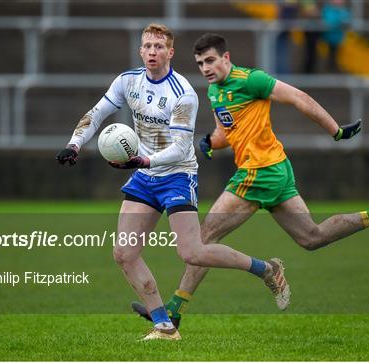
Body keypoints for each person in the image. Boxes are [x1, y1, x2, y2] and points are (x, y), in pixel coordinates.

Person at [132, 32, 369, 328]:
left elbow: (299, 98)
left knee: (204, 239)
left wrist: (335, 131)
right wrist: (211, 141)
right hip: (274, 169)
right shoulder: (214, 92)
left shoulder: (252, 80)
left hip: (258, 171)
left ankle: (175, 311)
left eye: (210, 60)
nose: (206, 68)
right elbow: (228, 130)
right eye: (200, 63)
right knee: (312, 237)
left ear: (226, 58)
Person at [56, 24, 290, 341]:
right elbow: (96, 114)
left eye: (159, 46)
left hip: (177, 174)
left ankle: (265, 269)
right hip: (144, 176)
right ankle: (164, 326)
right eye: (147, 46)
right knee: (124, 253)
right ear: (140, 50)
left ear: (170, 52)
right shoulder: (127, 81)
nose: (152, 51)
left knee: (192, 252)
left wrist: (143, 160)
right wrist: (74, 144)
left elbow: (181, 148)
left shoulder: (183, 94)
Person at [321, 0, 351, 72]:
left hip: (339, 37)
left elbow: (347, 20)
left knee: (337, 55)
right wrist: (339, 23)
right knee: (331, 55)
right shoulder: (328, 10)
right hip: (330, 37)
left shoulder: (343, 10)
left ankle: (334, 69)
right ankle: (331, 69)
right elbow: (328, 22)